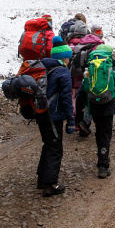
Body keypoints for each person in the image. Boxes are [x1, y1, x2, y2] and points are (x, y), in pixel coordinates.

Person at [80, 44, 115, 178]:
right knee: (106, 134)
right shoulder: (111, 67)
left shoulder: (90, 68)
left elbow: (82, 91)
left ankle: (101, 159)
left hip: (94, 105)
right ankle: (103, 165)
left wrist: (81, 111)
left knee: (99, 132)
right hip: (108, 105)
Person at [36, 36, 74, 196]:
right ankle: (50, 184)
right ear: (64, 57)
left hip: (40, 112)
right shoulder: (63, 72)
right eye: (68, 57)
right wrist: (71, 119)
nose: (69, 60)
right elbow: (66, 98)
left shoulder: (43, 67)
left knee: (48, 143)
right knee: (55, 148)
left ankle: (42, 178)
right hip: (54, 115)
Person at [70, 23, 106, 136]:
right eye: (99, 31)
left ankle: (79, 122)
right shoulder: (98, 44)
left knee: (81, 99)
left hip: (79, 74)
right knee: (91, 100)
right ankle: (85, 123)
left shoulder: (83, 41)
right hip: (92, 75)